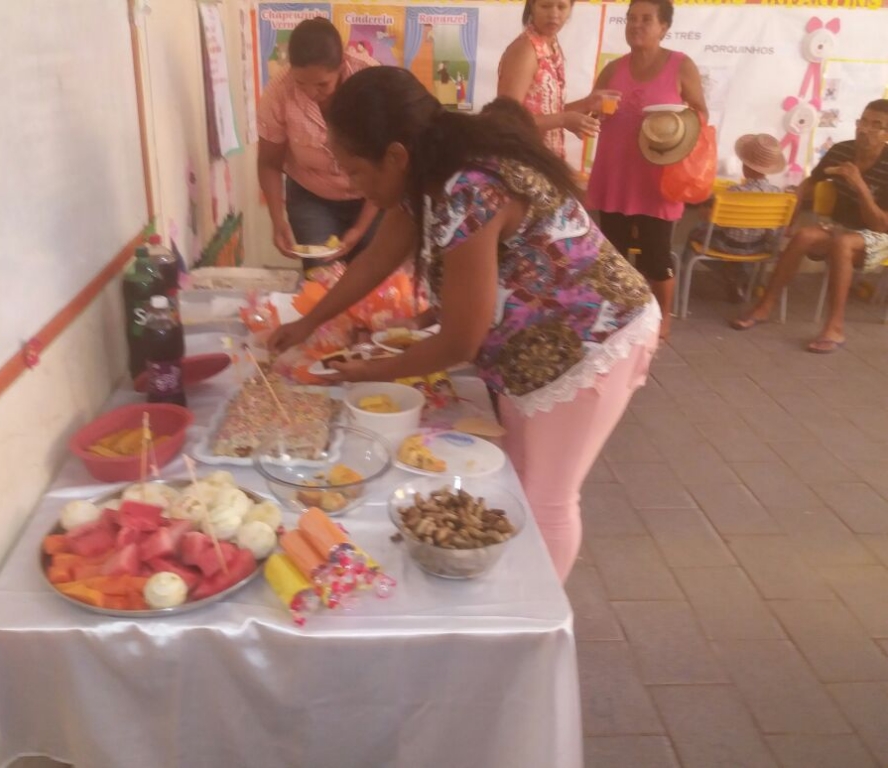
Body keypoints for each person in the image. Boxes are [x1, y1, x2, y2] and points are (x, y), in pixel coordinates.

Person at [268, 67, 660, 582]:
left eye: (356, 171)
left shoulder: (468, 188)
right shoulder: (424, 172)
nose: (352, 185)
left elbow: (460, 341)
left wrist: (362, 372)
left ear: (395, 156)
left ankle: (538, 616)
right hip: (537, 348)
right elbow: (376, 259)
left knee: (547, 497)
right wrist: (309, 320)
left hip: (593, 344)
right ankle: (511, 590)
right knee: (517, 476)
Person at [585, 0, 708, 339]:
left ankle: (663, 317)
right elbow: (591, 111)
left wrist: (674, 125)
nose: (636, 25)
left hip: (658, 177)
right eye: (631, 18)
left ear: (664, 27)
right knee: (614, 256)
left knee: (656, 257)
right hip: (616, 174)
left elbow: (701, 114)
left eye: (646, 19)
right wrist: (595, 111)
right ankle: (618, 316)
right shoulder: (613, 69)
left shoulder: (681, 65)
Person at [731, 100, 888, 352]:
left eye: (876, 125)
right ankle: (764, 307)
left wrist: (859, 185)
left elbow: (880, 224)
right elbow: (809, 182)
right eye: (863, 121)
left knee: (843, 243)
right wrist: (791, 218)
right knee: (804, 235)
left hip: (879, 235)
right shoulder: (841, 150)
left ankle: (835, 327)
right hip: (841, 227)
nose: (865, 129)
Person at [257, 18, 381, 272]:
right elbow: (269, 162)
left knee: (371, 273)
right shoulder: (278, 93)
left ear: (341, 65)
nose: (311, 93)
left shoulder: (370, 80)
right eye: (301, 83)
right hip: (311, 197)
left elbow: (385, 164)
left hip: (373, 195)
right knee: (322, 274)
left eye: (322, 84)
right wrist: (277, 220)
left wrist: (360, 228)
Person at [497, 0, 618, 159]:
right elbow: (506, 118)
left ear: (570, 9)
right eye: (545, 6)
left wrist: (585, 104)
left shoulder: (551, 45)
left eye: (561, 7)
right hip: (521, 160)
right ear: (532, 6)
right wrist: (563, 120)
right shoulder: (525, 50)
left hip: (545, 161)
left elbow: (546, 113)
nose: (554, 14)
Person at [688, 133, 787, 301]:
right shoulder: (778, 194)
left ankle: (687, 277)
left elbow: (709, 218)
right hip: (759, 248)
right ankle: (741, 276)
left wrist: (705, 209)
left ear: (745, 166)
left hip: (727, 246)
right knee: (748, 237)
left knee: (695, 233)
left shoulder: (733, 192)